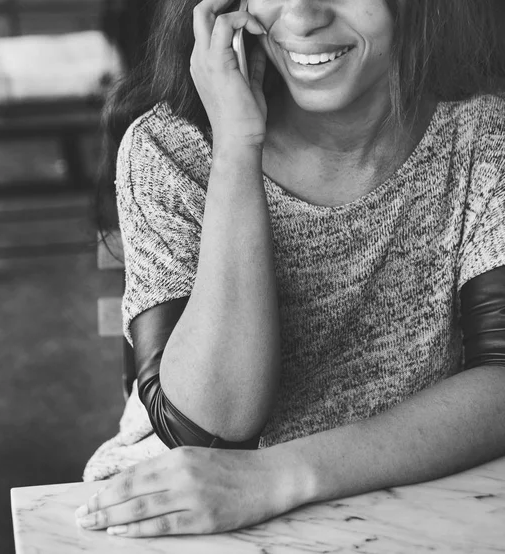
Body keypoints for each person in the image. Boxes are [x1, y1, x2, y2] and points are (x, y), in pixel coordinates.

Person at [76, 0, 505, 537]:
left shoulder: (482, 134)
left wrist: (282, 475)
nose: (302, 18)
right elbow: (210, 429)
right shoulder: (169, 149)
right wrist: (236, 146)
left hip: (401, 497)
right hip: (180, 508)